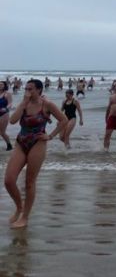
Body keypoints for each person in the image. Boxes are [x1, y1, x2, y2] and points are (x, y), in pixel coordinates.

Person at [4, 79, 67, 228]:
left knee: (29, 182)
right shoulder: (25, 104)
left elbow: (64, 120)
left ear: (39, 90)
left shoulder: (47, 104)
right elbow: (12, 121)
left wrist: (50, 136)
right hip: (21, 142)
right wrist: (23, 103)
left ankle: (25, 217)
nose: (27, 91)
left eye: (30, 89)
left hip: (38, 143)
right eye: (26, 88)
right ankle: (19, 207)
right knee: (9, 180)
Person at [0, 81, 13, 150]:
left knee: (2, 132)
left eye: (1, 84)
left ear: (4, 86)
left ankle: (9, 145)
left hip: (3, 114)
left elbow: (10, 103)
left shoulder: (7, 94)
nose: (0, 85)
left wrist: (6, 108)